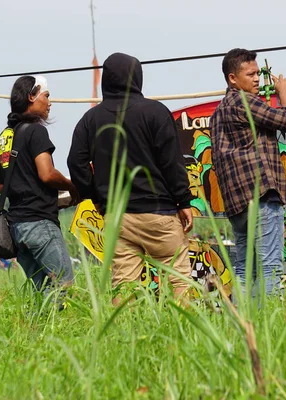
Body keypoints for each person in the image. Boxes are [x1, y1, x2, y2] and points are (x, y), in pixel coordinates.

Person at [67, 53, 193, 304]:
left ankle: (122, 338)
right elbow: (172, 162)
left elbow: (75, 163)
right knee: (178, 277)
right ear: (137, 77)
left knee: (124, 283)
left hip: (117, 216)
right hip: (160, 213)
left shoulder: (91, 119)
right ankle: (185, 333)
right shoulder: (156, 112)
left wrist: (96, 198)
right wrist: (183, 201)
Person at [210, 48, 286, 297]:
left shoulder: (217, 114)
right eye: (250, 74)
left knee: (244, 268)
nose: (257, 79)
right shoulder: (244, 101)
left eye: (258, 73)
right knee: (270, 266)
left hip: (237, 205)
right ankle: (272, 327)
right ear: (233, 79)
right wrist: (284, 94)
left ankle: (240, 323)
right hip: (260, 197)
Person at [0, 75, 76, 302]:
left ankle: (35, 331)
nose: (49, 102)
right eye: (46, 96)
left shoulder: (5, 137)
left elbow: (0, 185)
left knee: (40, 291)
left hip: (17, 227)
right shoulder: (36, 131)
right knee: (64, 285)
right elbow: (47, 174)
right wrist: (72, 186)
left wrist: (24, 186)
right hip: (40, 222)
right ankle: (55, 333)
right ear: (31, 96)